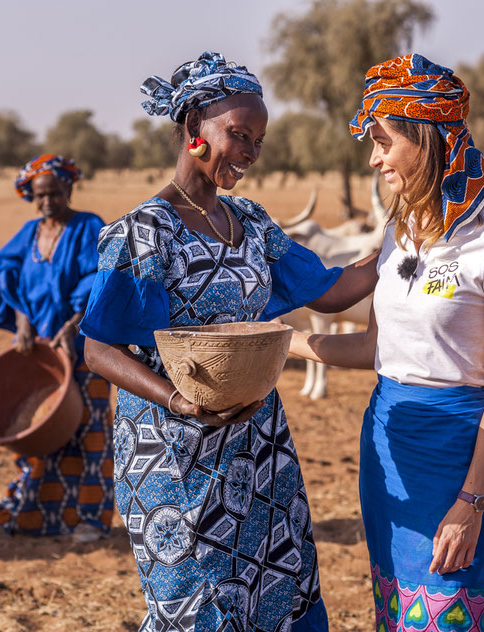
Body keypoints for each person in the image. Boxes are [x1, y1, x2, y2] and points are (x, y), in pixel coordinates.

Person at [81, 52, 378, 631]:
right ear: (194, 128)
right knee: (195, 605)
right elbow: (98, 348)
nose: (247, 153)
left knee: (276, 592)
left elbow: (331, 290)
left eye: (257, 141)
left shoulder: (252, 222)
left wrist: (408, 247)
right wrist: (179, 400)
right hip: (171, 455)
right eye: (237, 134)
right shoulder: (144, 232)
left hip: (259, 453)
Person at [288, 54, 484, 631]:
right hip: (386, 449)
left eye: (383, 141)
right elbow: (380, 349)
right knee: (396, 614)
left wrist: (471, 502)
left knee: (449, 612)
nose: (374, 158)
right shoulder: (400, 234)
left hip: (455, 456)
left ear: (427, 141)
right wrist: (284, 343)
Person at [0, 154, 113, 540]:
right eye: (40, 195)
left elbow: (100, 279)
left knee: (88, 432)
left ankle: (89, 520)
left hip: (84, 348)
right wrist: (23, 322)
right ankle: (30, 517)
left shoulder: (89, 226)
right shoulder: (28, 234)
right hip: (39, 351)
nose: (47, 201)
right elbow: (6, 275)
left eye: (54, 193)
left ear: (68, 189)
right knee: (37, 433)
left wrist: (73, 324)